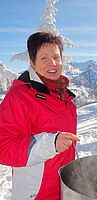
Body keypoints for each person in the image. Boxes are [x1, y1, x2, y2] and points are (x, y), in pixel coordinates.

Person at [0, 32, 80, 199]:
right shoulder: (20, 97)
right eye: (44, 58)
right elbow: (3, 147)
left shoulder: (64, 96)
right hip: (36, 193)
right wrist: (50, 144)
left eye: (56, 57)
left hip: (63, 187)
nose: (52, 63)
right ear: (32, 63)